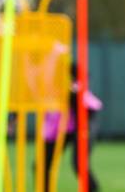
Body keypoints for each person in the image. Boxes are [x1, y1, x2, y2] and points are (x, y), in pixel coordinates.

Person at [41, 64, 102, 192]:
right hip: (58, 129)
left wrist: (74, 92)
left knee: (79, 164)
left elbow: (91, 109)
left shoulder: (78, 91)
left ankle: (92, 188)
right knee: (42, 165)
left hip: (80, 128)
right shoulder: (50, 86)